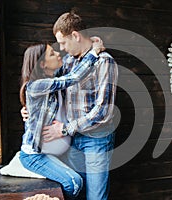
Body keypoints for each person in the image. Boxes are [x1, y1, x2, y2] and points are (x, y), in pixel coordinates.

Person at [43, 12, 118, 200]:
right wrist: (27, 107)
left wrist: (65, 129)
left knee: (95, 197)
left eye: (63, 43)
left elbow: (103, 112)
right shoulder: (68, 61)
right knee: (77, 192)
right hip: (74, 140)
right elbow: (47, 84)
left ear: (75, 36)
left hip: (96, 140)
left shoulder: (104, 61)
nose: (61, 48)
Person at [18, 41, 103, 199]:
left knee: (83, 184)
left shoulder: (54, 79)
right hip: (36, 155)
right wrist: (94, 53)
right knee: (74, 183)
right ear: (42, 64)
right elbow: (74, 77)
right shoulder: (37, 85)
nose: (58, 54)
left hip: (59, 152)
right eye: (52, 53)